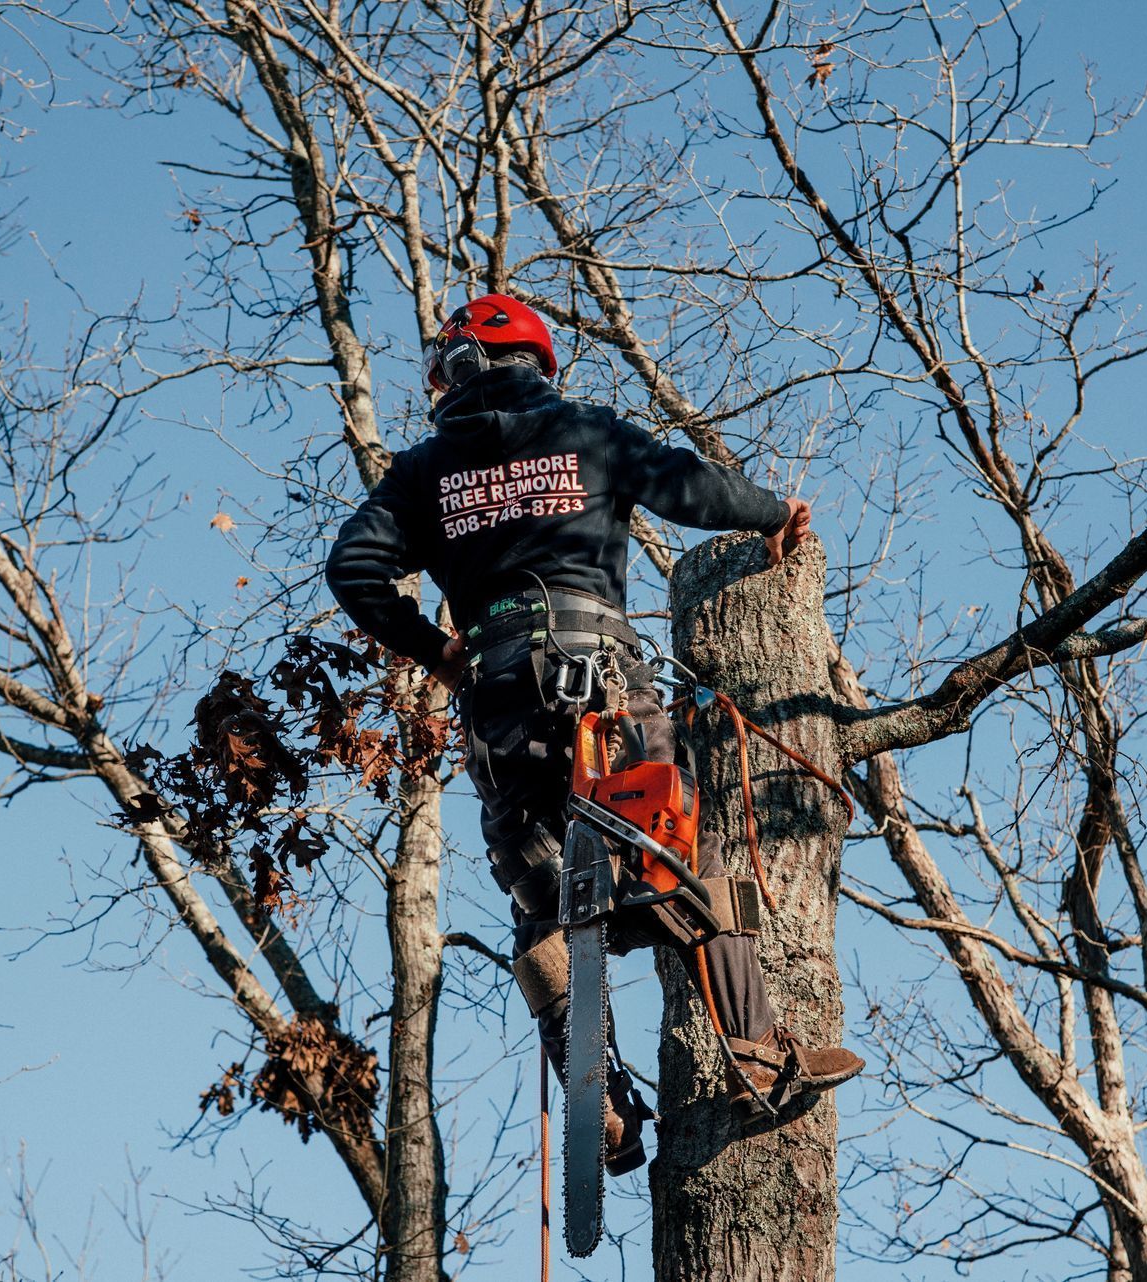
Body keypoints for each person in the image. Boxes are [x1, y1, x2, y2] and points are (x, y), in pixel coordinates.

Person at [326, 293, 862, 1174]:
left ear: (454, 377)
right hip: (601, 685)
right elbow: (692, 487)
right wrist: (773, 515)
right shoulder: (588, 432)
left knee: (542, 900)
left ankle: (600, 1102)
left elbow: (353, 568)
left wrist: (440, 652)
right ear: (535, 359)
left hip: (497, 703)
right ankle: (759, 1054)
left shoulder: (424, 471)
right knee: (681, 858)